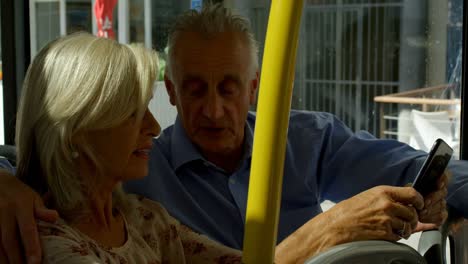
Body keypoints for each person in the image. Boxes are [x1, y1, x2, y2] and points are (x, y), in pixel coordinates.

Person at [0, 3, 461, 264]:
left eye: (230, 87)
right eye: (195, 90)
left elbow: (431, 172)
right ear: (173, 91)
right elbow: (39, 159)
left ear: (255, 88)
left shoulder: (144, 217)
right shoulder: (134, 170)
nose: (215, 110)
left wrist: (432, 196)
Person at [7, 32, 248, 263]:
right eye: (134, 113)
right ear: (77, 131)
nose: (154, 127)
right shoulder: (48, 243)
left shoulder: (146, 218)